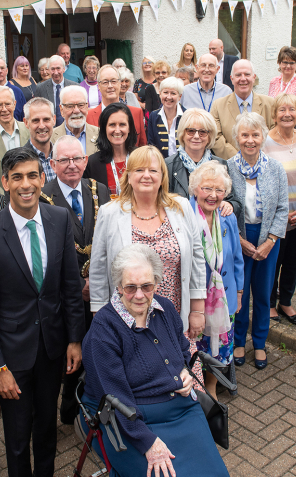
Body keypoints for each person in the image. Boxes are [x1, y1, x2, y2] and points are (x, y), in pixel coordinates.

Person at [0, 147, 85, 477]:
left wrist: (74, 339)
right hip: (13, 355)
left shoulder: (59, 219)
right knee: (18, 433)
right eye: (17, 177)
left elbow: (69, 285)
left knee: (46, 422)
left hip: (52, 346)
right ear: (5, 182)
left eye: (33, 175)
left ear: (42, 178)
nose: (26, 184)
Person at [81, 244, 232, 477]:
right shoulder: (104, 331)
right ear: (118, 286)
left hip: (182, 410)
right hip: (131, 419)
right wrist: (148, 443)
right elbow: (114, 398)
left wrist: (185, 372)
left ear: (156, 283)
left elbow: (182, 349)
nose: (139, 295)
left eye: (147, 286)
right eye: (131, 287)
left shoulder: (165, 308)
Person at [89, 145, 207, 382]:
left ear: (162, 176)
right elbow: (99, 267)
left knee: (185, 382)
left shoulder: (181, 207)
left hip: (174, 318)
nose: (146, 175)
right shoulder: (109, 212)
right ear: (129, 176)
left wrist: (197, 310)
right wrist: (99, 316)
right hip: (128, 319)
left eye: (153, 170)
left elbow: (196, 257)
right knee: (139, 381)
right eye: (139, 169)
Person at [40, 135, 112, 424]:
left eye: (77, 159)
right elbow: (46, 252)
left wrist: (96, 279)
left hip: (100, 291)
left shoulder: (100, 190)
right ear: (52, 163)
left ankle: (96, 403)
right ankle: (68, 406)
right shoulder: (42, 199)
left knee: (100, 350)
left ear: (85, 161)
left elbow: (108, 239)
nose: (72, 165)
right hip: (64, 295)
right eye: (64, 160)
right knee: (71, 355)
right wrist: (76, 283)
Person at [228, 113, 288, 369]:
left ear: (263, 137)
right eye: (245, 135)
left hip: (268, 241)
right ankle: (239, 340)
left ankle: (260, 342)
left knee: (263, 294)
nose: (250, 140)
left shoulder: (275, 168)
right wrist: (239, 239)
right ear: (237, 138)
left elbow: (283, 208)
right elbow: (223, 205)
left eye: (255, 135)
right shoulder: (227, 167)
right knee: (239, 294)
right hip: (238, 240)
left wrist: (271, 240)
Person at [189, 162, 244, 397]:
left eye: (219, 190)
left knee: (220, 350)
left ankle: (211, 387)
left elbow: (237, 259)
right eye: (207, 188)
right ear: (195, 189)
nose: (213, 196)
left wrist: (239, 294)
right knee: (194, 348)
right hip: (195, 300)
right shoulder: (184, 216)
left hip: (225, 297)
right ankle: (196, 390)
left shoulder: (227, 217)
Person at [264, 93, 296, 326]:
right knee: (273, 263)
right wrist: (280, 213)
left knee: (293, 261)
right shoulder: (264, 141)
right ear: (274, 114)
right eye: (281, 110)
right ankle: (269, 303)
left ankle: (286, 300)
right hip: (276, 217)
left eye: (292, 109)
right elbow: (261, 183)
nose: (287, 114)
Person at [166, 108, 241, 215]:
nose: (196, 136)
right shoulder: (168, 166)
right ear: (182, 133)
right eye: (191, 131)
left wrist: (230, 205)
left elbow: (235, 201)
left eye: (202, 132)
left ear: (210, 136)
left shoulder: (221, 165)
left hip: (213, 229)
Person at [210, 59, 276, 159]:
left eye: (247, 74)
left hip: (263, 165)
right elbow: (216, 137)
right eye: (238, 75)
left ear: (254, 78)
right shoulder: (218, 106)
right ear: (231, 79)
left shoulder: (270, 104)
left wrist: (256, 158)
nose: (243, 78)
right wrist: (239, 159)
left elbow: (274, 134)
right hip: (230, 166)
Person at [84, 102, 139, 195]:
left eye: (122, 124)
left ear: (129, 128)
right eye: (112, 125)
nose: (117, 130)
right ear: (104, 129)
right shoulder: (92, 163)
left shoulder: (141, 158)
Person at [86, 65, 147, 146]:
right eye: (105, 82)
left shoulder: (136, 113)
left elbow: (142, 148)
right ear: (99, 86)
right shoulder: (89, 116)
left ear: (119, 84)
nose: (110, 86)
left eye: (114, 81)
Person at [51, 86, 100, 157]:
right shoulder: (50, 137)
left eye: (81, 105)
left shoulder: (100, 134)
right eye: (70, 106)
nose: (76, 111)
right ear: (61, 110)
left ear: (87, 107)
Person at [32, 55, 80, 127]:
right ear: (49, 70)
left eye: (58, 68)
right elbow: (37, 111)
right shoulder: (41, 88)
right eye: (53, 69)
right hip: (50, 130)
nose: (56, 72)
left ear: (64, 69)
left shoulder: (74, 87)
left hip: (70, 129)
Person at [147, 77, 185, 158]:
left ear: (180, 96)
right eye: (165, 92)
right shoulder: (153, 116)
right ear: (160, 94)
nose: (169, 97)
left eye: (173, 93)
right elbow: (151, 145)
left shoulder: (187, 115)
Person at [23, 97, 57, 182]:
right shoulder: (20, 161)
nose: (42, 126)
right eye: (36, 120)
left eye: (46, 119)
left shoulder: (63, 155)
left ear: (54, 120)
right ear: (26, 123)